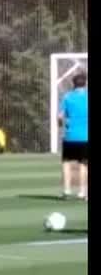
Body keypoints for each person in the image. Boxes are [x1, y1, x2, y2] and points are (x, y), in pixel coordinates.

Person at [59, 72, 88, 200]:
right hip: (85, 136)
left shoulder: (67, 97)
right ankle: (82, 192)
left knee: (66, 163)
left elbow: (60, 116)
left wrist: (61, 125)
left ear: (73, 84)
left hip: (70, 136)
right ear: (85, 83)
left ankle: (67, 190)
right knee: (83, 164)